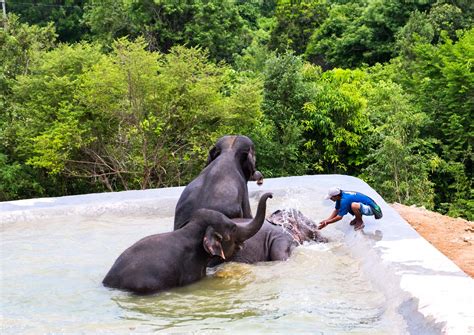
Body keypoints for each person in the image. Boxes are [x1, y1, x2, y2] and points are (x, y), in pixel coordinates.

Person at [318, 186, 382, 231]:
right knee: (352, 205)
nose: (331, 199)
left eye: (331, 198)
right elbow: (336, 210)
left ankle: (360, 222)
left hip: (373, 209)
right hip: (365, 206)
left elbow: (339, 217)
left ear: (336, 196)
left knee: (353, 205)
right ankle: (357, 218)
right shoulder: (340, 196)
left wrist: (327, 222)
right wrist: (326, 221)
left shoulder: (344, 200)